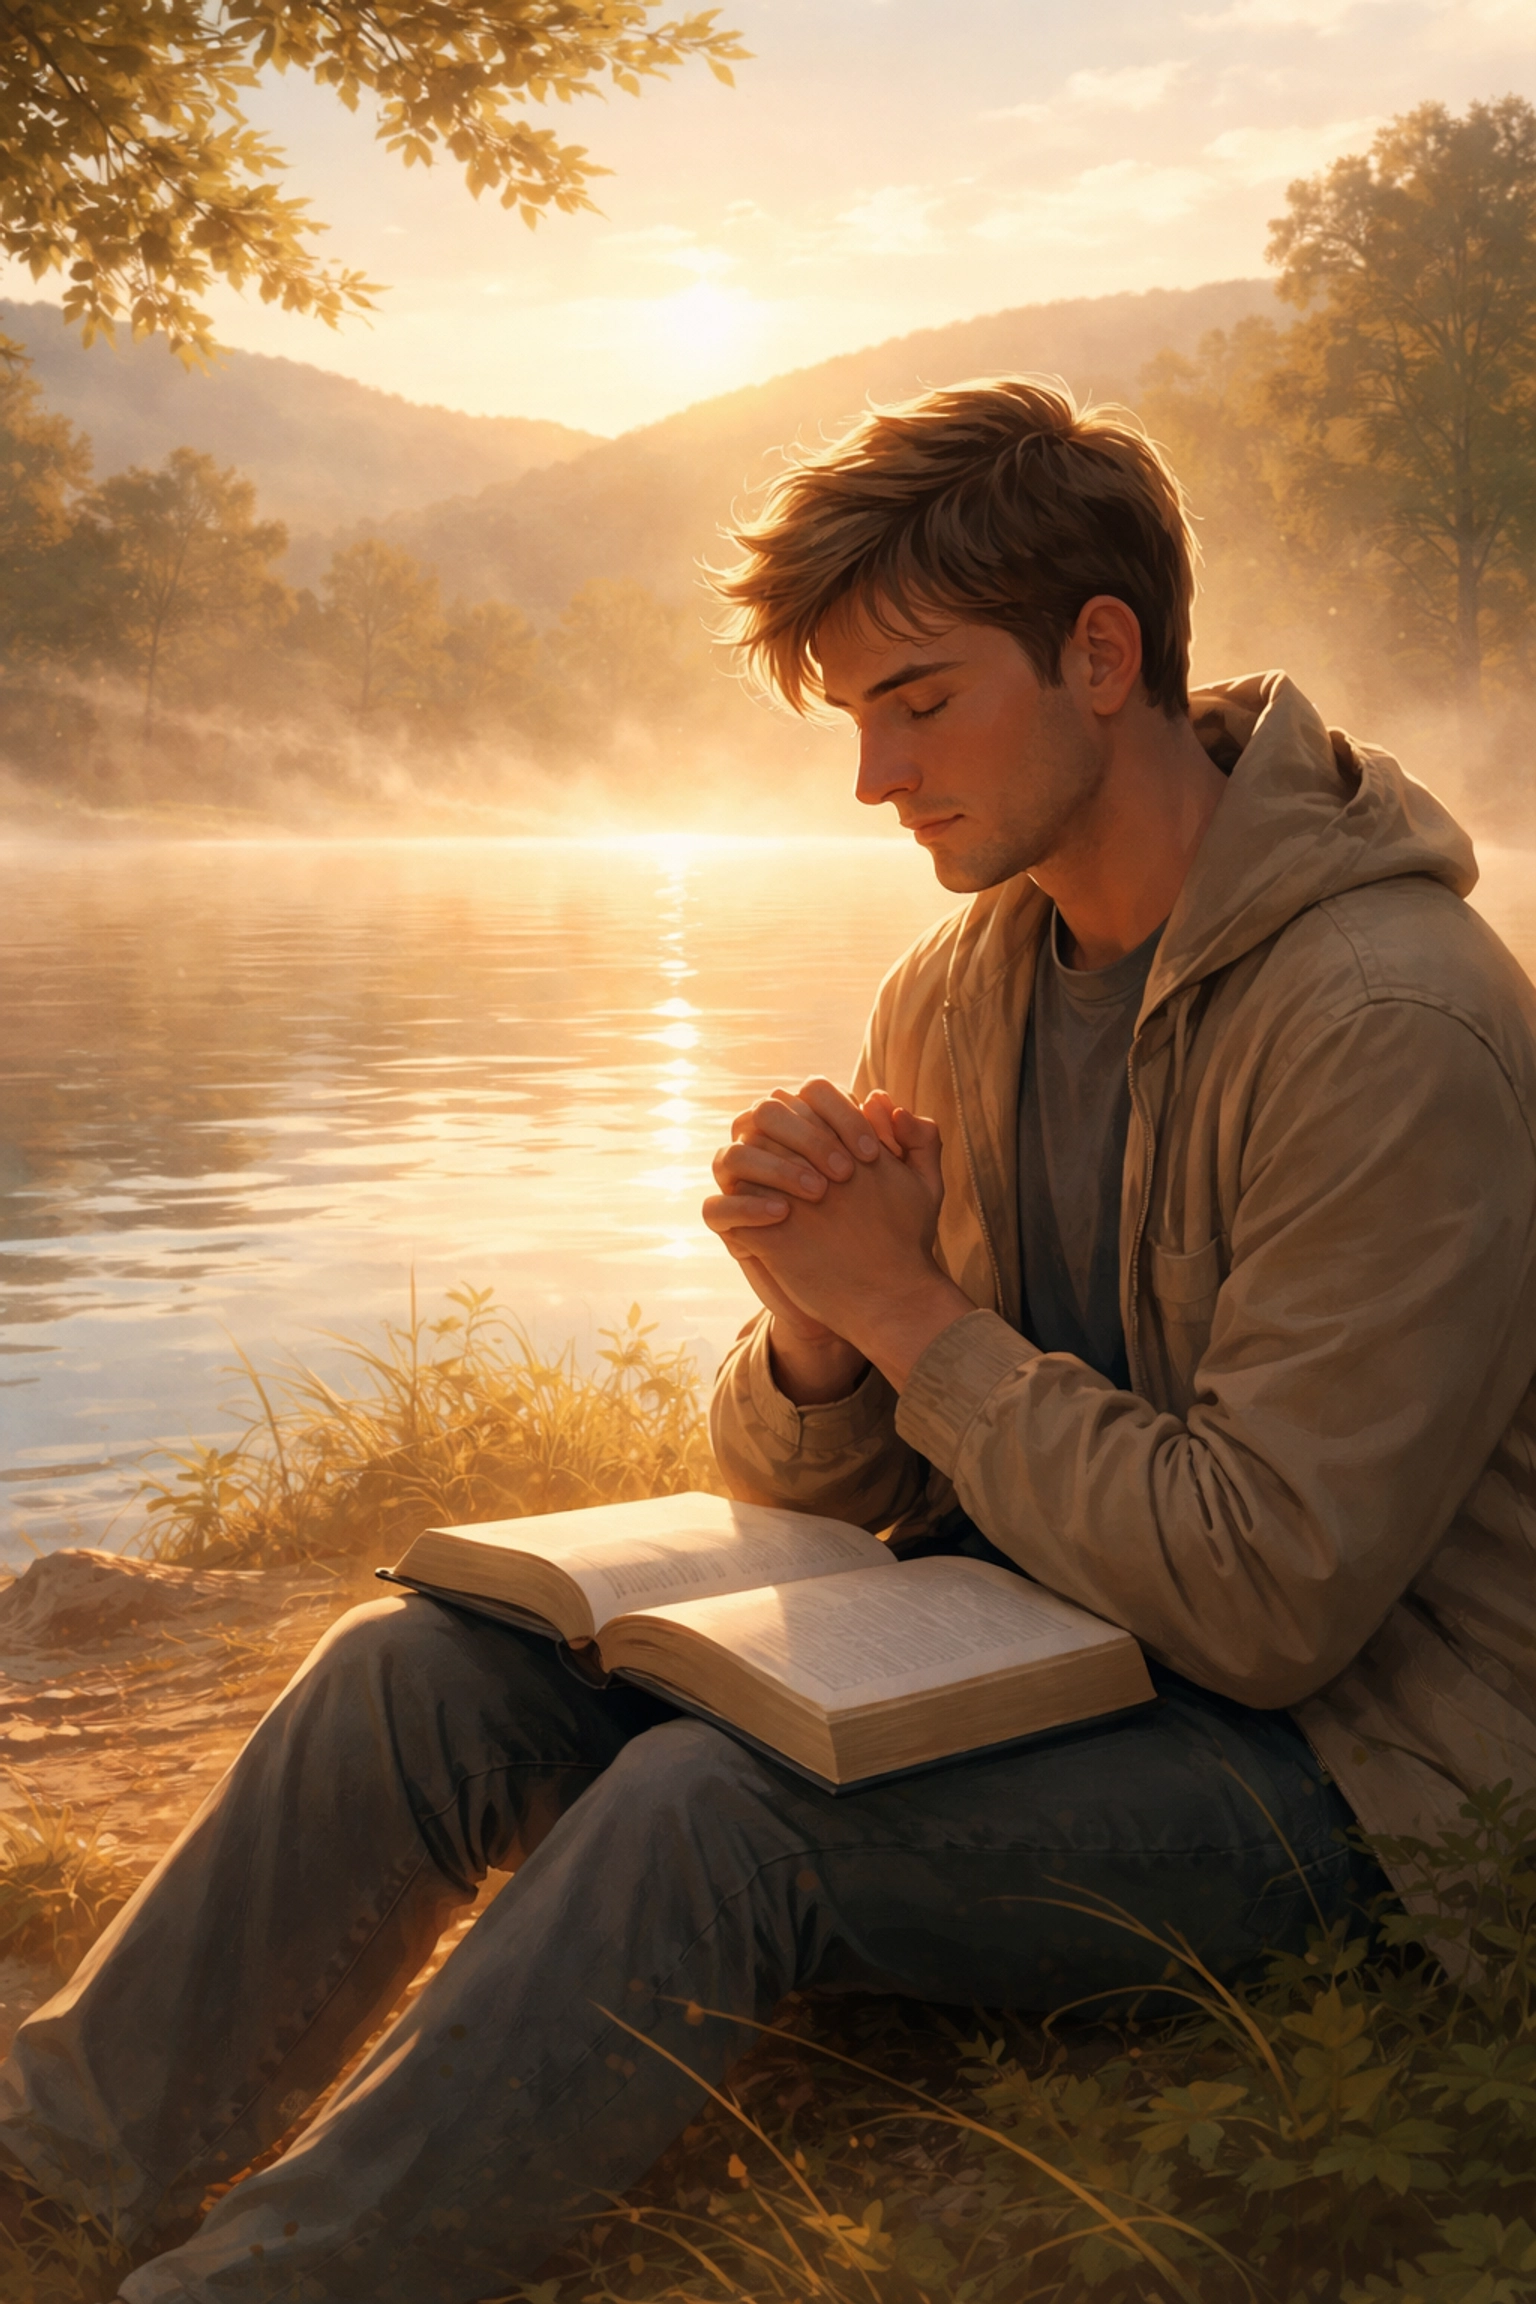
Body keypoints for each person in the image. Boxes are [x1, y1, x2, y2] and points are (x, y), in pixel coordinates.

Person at [2, 377, 1533, 2304]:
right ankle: (53, 2179)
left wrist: (906, 1307)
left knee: (711, 1816)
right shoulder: (956, 987)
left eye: (920, 703)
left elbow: (1270, 1598)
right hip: (1020, 1666)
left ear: (1101, 655)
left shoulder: (1387, 1022)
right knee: (408, 1674)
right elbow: (835, 1492)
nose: (875, 782)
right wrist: (817, 1335)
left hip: (1347, 1781)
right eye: (853, 719)